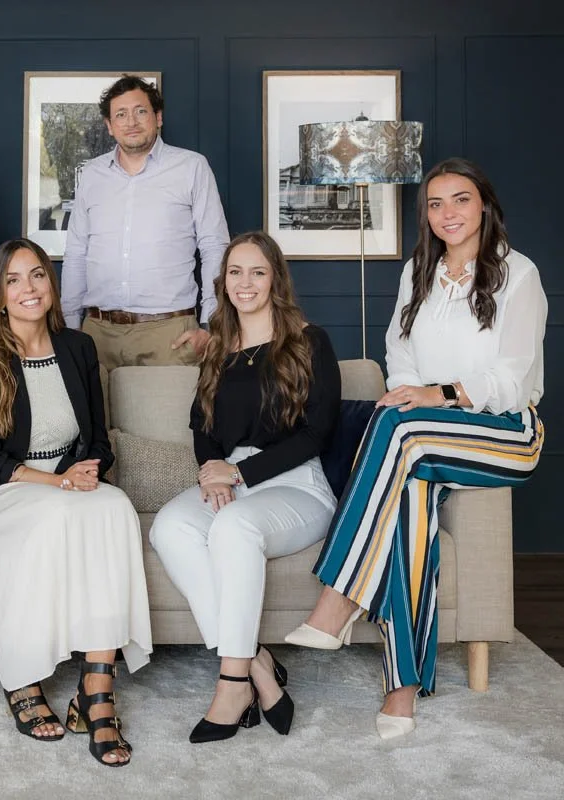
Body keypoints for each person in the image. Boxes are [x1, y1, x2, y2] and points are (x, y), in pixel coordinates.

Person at [284, 157, 547, 739]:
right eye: (435, 204)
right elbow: (397, 355)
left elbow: (511, 379)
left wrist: (439, 394)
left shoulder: (516, 275)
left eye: (460, 200)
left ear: (484, 206)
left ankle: (338, 597)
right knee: (408, 494)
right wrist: (414, 395)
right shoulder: (416, 273)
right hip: (428, 436)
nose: (447, 213)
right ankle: (401, 690)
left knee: (399, 429)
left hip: (505, 432)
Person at [0, 238, 152, 767]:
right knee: (61, 514)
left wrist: (88, 471)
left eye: (37, 275)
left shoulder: (78, 347)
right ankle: (23, 678)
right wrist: (55, 484)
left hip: (62, 482)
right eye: (13, 280)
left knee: (114, 507)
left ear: (51, 284)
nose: (29, 289)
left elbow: (98, 439)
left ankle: (96, 691)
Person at [148, 231, 341, 743]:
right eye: (236, 272)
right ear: (223, 281)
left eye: (257, 271)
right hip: (232, 478)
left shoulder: (308, 340)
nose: (245, 282)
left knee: (232, 528)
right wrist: (214, 468)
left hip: (296, 484)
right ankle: (257, 662)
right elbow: (202, 427)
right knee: (170, 527)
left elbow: (317, 433)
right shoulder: (219, 347)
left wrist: (239, 474)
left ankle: (233, 684)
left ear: (275, 277)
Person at [60, 75, 230, 371]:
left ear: (158, 118)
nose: (131, 121)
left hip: (170, 334)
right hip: (97, 333)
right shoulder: (91, 175)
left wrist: (210, 324)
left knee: (171, 419)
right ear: (109, 126)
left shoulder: (192, 167)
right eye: (121, 114)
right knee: (93, 419)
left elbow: (214, 246)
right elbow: (77, 253)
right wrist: (70, 327)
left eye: (140, 111)